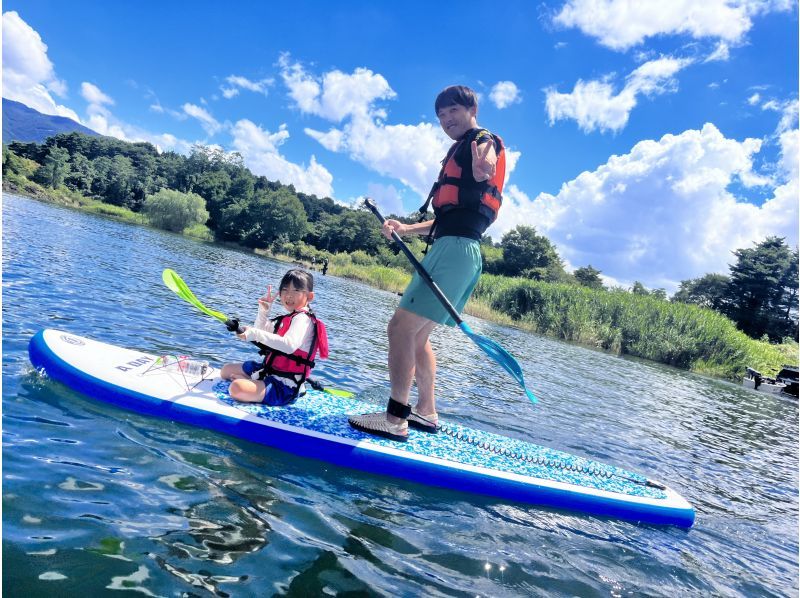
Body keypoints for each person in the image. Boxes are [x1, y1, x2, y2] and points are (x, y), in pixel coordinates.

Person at [349, 85, 506, 441]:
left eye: (452, 111)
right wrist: (405, 228)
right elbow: (448, 219)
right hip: (452, 246)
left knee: (400, 329)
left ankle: (395, 419)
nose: (446, 119)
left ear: (471, 109)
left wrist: (484, 165)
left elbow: (487, 160)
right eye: (440, 116)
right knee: (417, 339)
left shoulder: (482, 141)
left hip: (456, 251)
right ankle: (426, 411)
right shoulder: (463, 151)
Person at [221, 269, 328, 405]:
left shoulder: (303, 320)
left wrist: (253, 333)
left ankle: (249, 384)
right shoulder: (286, 319)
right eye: (285, 289)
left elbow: (288, 345)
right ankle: (251, 383)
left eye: (296, 291)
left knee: (236, 388)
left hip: (285, 385)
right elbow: (260, 331)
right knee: (225, 370)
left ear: (310, 296)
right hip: (269, 371)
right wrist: (264, 311)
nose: (289, 295)